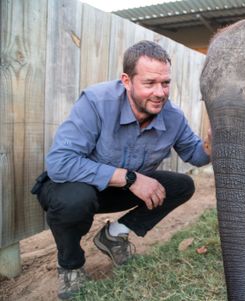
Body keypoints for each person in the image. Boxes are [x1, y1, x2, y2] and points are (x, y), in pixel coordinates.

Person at [31, 40, 211, 300]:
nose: (160, 92)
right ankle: (70, 266)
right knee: (73, 200)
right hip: (71, 186)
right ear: (126, 81)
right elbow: (60, 163)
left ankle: (114, 236)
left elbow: (196, 155)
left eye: (165, 83)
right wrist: (131, 178)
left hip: (118, 189)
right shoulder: (96, 102)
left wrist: (211, 145)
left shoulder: (173, 117)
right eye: (149, 83)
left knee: (182, 185)